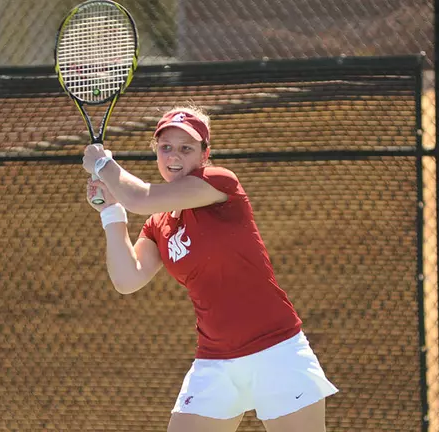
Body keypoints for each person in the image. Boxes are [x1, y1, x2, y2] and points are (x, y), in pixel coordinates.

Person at [82, 105, 338, 432]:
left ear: (205, 154)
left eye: (186, 148)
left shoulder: (219, 183)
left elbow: (141, 196)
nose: (174, 155)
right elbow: (127, 278)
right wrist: (112, 213)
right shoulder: (158, 224)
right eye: (166, 147)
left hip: (277, 352)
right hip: (214, 361)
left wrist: (102, 163)